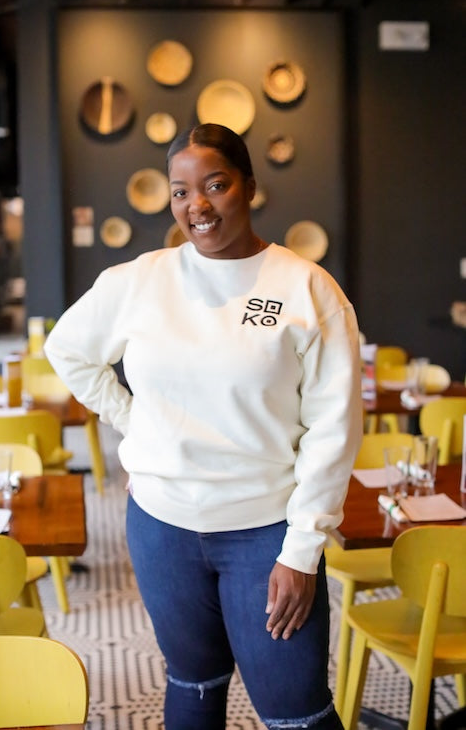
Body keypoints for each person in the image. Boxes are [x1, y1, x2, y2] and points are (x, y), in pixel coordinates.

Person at [45, 122, 363, 730]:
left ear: (248, 186)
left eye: (214, 185)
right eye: (181, 191)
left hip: (265, 534)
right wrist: (132, 422)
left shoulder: (306, 289)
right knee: (192, 687)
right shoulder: (140, 280)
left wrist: (302, 552)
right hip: (162, 529)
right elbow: (69, 350)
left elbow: (334, 429)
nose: (198, 205)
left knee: (296, 712)